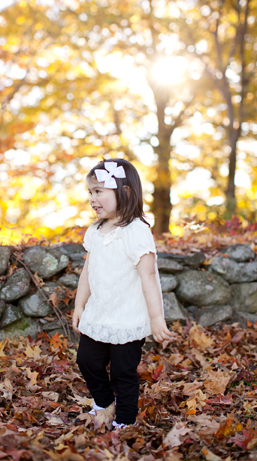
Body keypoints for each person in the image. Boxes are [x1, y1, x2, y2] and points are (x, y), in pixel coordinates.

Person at [72, 158, 174, 430]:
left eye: (98, 192)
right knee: (87, 360)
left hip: (127, 315)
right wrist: (80, 305)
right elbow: (87, 271)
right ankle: (104, 403)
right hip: (100, 311)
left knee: (123, 372)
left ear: (125, 192)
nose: (92, 199)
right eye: (90, 193)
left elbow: (148, 276)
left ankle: (125, 422)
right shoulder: (95, 230)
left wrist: (155, 318)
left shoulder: (136, 231)